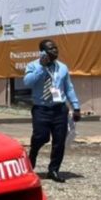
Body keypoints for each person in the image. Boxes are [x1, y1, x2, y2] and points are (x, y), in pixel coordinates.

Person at [23, 39, 81, 183]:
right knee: (41, 137)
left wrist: (76, 106)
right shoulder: (33, 65)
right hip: (41, 109)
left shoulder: (62, 67)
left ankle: (53, 170)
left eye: (56, 48)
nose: (55, 51)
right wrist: (41, 68)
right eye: (51, 49)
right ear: (42, 52)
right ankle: (33, 152)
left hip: (59, 110)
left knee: (59, 141)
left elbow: (69, 88)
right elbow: (28, 82)